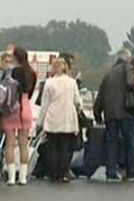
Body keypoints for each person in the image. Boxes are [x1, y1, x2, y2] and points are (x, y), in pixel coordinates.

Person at [93, 49, 134, 183]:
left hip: (110, 114)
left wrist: (97, 114)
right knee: (128, 143)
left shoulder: (108, 73)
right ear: (127, 58)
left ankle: (111, 173)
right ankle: (130, 172)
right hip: (125, 112)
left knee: (111, 143)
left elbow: (100, 96)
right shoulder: (128, 67)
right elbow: (131, 84)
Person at [36, 58, 82, 183]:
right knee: (66, 148)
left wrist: (40, 123)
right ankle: (64, 172)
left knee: (52, 148)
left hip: (53, 118)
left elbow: (45, 104)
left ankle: (53, 173)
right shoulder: (72, 82)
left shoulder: (49, 83)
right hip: (67, 118)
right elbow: (77, 101)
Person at [1, 47, 37, 186]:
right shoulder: (32, 73)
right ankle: (22, 176)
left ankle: (11, 177)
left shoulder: (11, 72)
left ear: (15, 57)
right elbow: (31, 92)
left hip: (11, 109)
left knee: (9, 143)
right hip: (26, 106)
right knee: (24, 144)